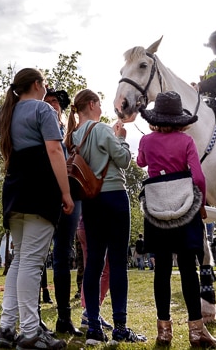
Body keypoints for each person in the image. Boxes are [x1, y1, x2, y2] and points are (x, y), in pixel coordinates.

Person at [0, 68, 73, 350]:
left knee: (19, 260)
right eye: (46, 84)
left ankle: (6, 327)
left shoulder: (10, 112)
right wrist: (65, 192)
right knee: (31, 262)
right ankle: (30, 332)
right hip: (40, 189)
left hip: (14, 189)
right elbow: (54, 151)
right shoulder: (43, 110)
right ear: (38, 85)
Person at [136, 91, 216, 348]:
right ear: (179, 118)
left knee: (161, 271)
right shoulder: (186, 142)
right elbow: (198, 178)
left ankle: (164, 332)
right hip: (185, 207)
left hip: (157, 208)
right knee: (187, 269)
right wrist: (201, 206)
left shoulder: (147, 141)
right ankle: (196, 331)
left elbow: (141, 162)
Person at [67, 89, 146, 345]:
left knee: (94, 264)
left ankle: (93, 328)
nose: (102, 109)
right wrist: (121, 137)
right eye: (99, 104)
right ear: (91, 104)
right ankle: (120, 327)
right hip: (114, 198)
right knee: (118, 263)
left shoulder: (75, 136)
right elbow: (123, 160)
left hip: (91, 202)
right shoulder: (100, 130)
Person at [42, 87, 83, 336]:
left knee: (63, 256)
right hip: (46, 196)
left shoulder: (71, 133)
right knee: (36, 257)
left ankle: (64, 317)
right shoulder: (40, 129)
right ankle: (34, 316)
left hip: (71, 196)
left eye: (55, 101)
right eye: (47, 101)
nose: (51, 105)